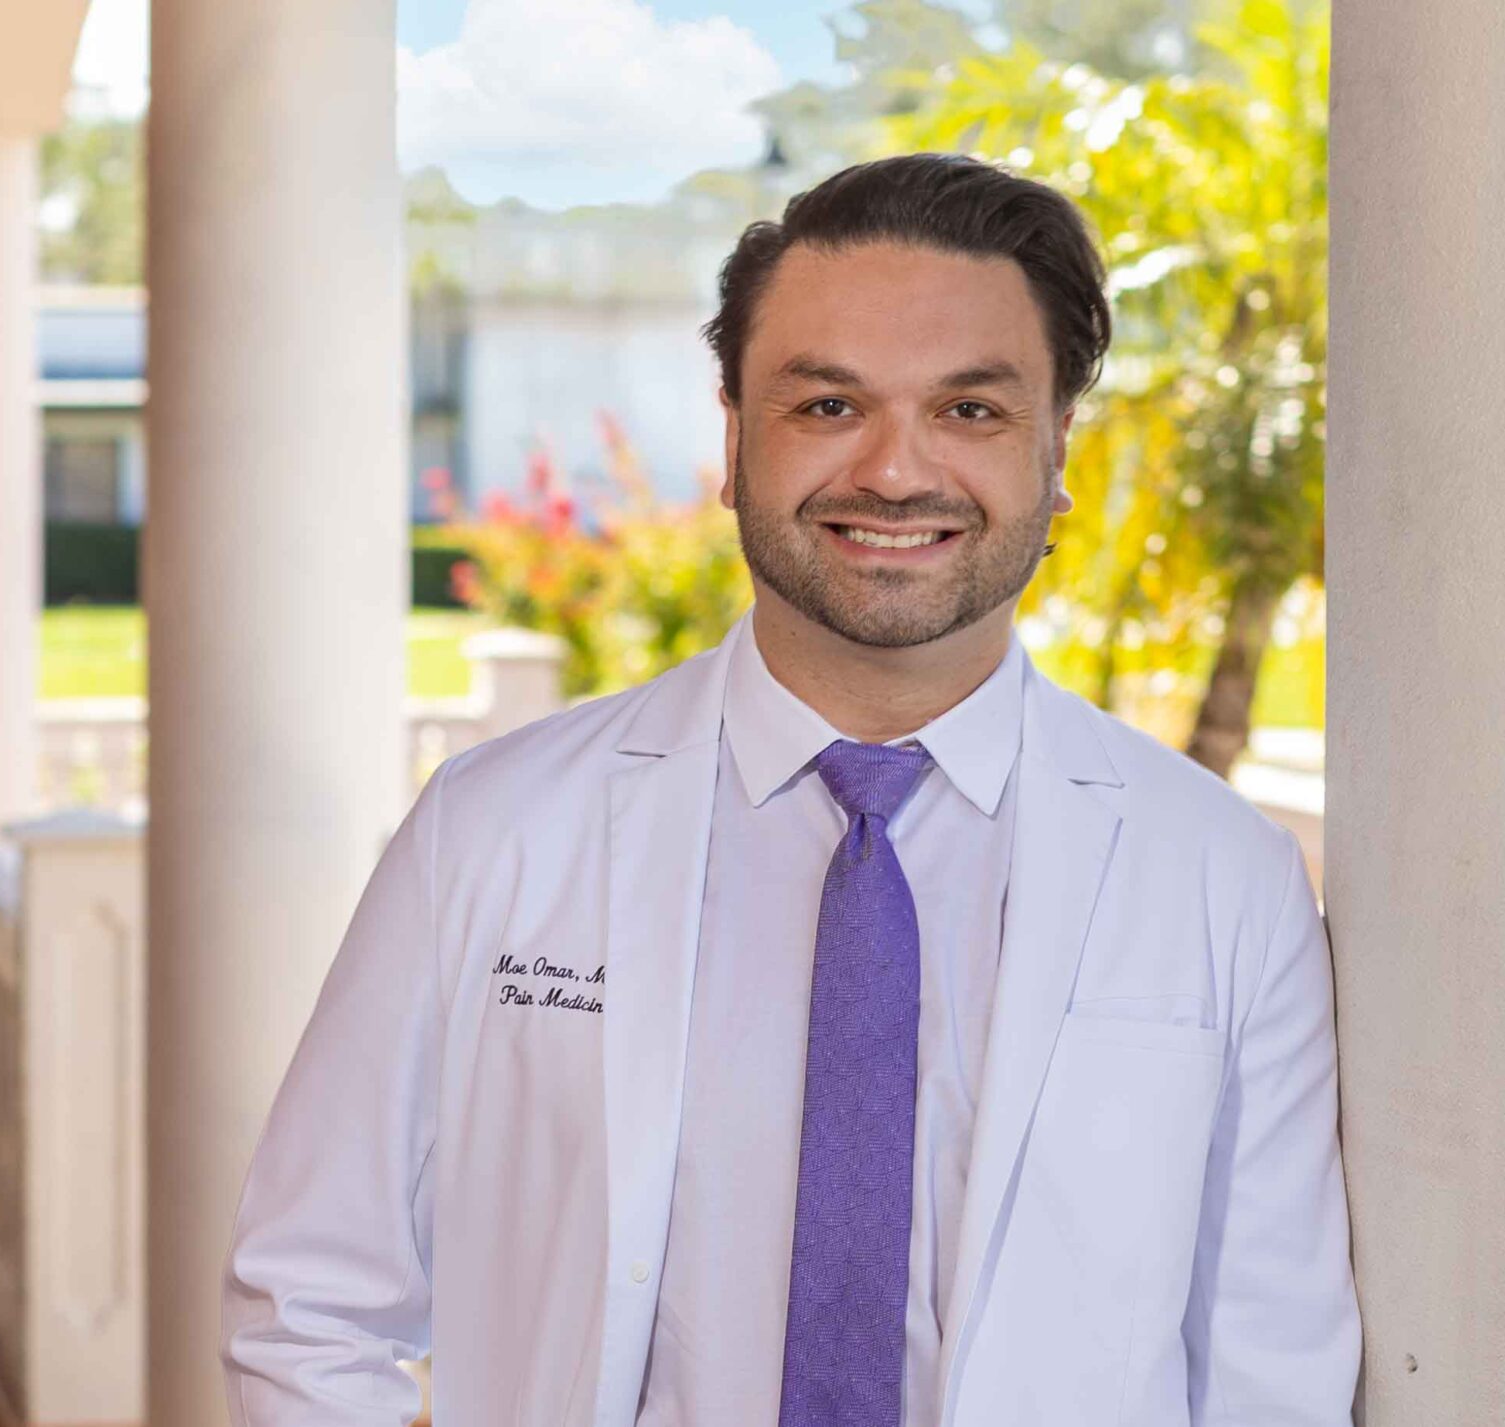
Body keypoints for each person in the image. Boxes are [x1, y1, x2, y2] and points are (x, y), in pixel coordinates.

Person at [222, 152, 1359, 1427]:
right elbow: (311, 1302)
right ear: (733, 440)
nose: (895, 471)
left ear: (1055, 451)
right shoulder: (490, 830)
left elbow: (1273, 1376)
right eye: (827, 404)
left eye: (969, 409)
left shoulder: (1223, 878)